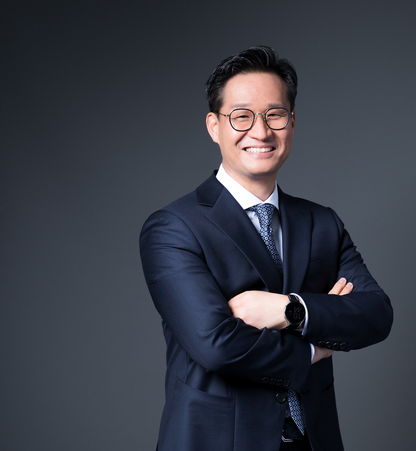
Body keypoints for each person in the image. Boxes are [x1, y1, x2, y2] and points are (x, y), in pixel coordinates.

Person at [139, 46, 393, 451]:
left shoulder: (322, 222)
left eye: (274, 114)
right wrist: (315, 346)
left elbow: (376, 314)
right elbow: (217, 346)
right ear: (214, 126)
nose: (260, 132)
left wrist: (291, 310)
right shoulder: (173, 227)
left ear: (291, 122)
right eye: (241, 116)